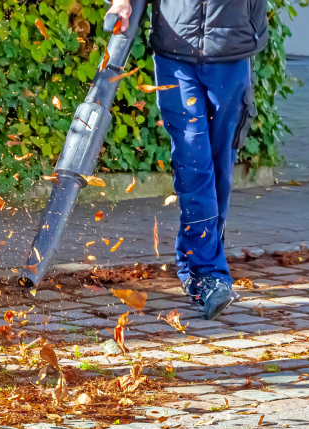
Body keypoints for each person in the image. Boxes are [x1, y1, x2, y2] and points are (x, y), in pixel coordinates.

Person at [105, 0, 268, 320]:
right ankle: (209, 274)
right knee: (194, 164)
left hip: (232, 48)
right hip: (175, 49)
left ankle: (196, 262)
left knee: (220, 167)